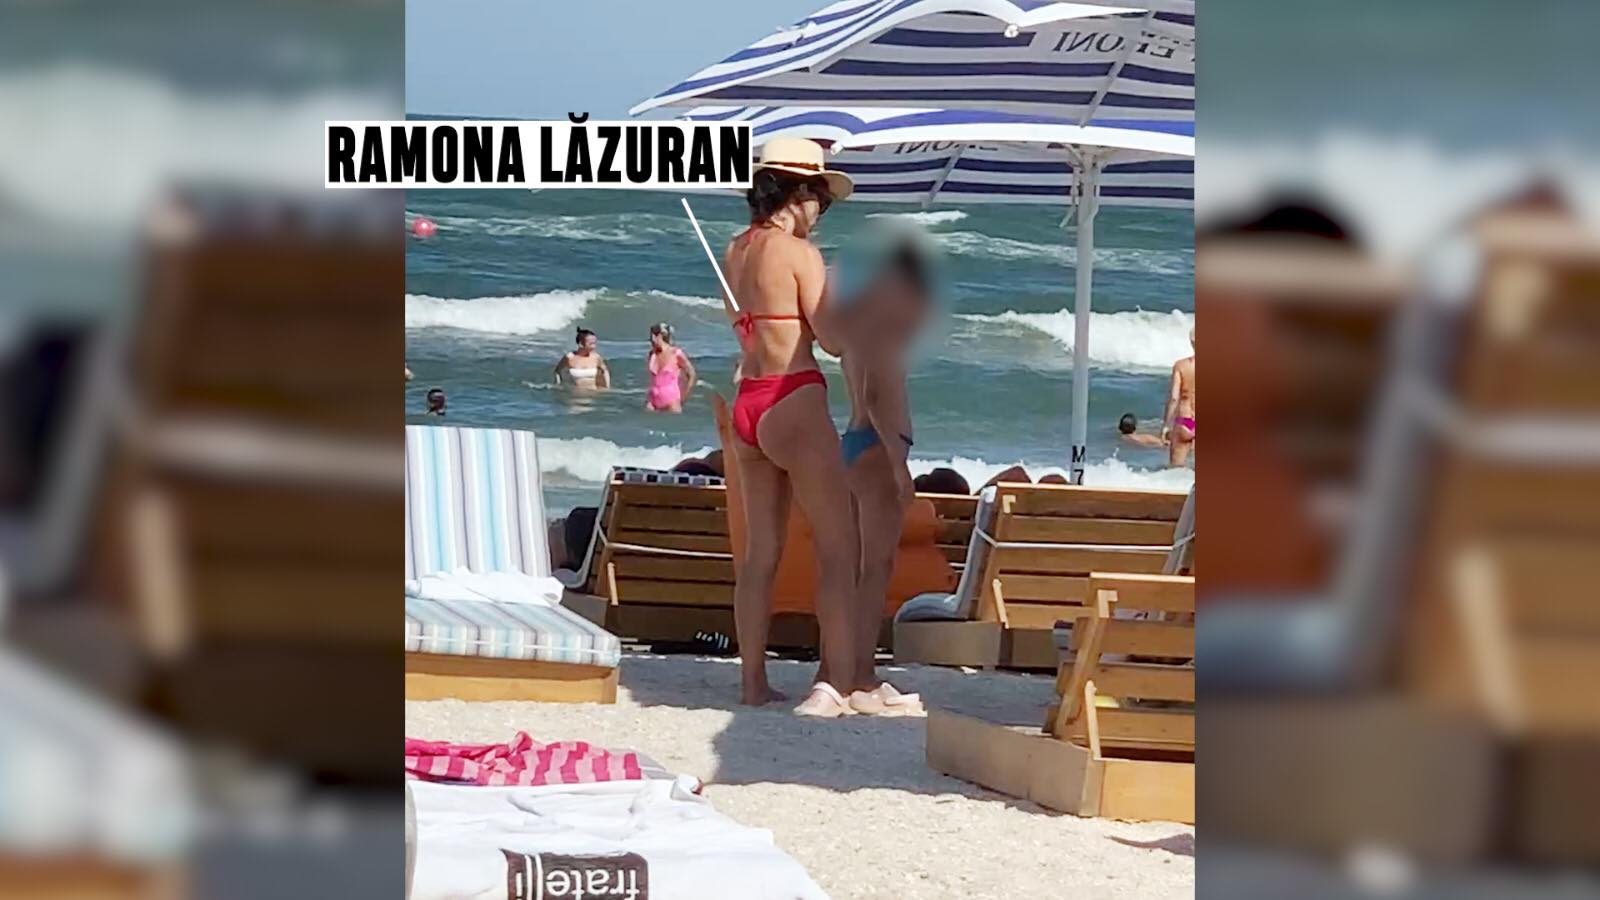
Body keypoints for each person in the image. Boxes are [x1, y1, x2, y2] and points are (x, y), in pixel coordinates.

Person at [720, 137, 860, 714]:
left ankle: (753, 683)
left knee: (760, 556)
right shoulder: (800, 254)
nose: (820, 213)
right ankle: (835, 681)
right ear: (799, 194)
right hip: (793, 395)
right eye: (820, 200)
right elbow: (832, 339)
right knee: (839, 547)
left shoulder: (735, 249)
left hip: (748, 403)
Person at [835, 235, 934, 714]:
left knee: (861, 570)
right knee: (873, 572)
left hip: (857, 444)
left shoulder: (858, 324)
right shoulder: (883, 330)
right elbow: (876, 397)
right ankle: (861, 675)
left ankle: (852, 671)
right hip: (877, 450)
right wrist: (898, 466)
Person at [1163, 328, 1196, 465]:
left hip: (1186, 421)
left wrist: (1166, 425)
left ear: (1191, 342)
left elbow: (1174, 398)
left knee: (1175, 470)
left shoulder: (1181, 366)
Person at [644, 323, 695, 413]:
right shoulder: (652, 354)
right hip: (653, 400)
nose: (651, 340)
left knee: (672, 421)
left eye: (653, 336)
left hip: (671, 401)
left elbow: (691, 374)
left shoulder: (676, 353)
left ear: (660, 336)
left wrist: (683, 396)